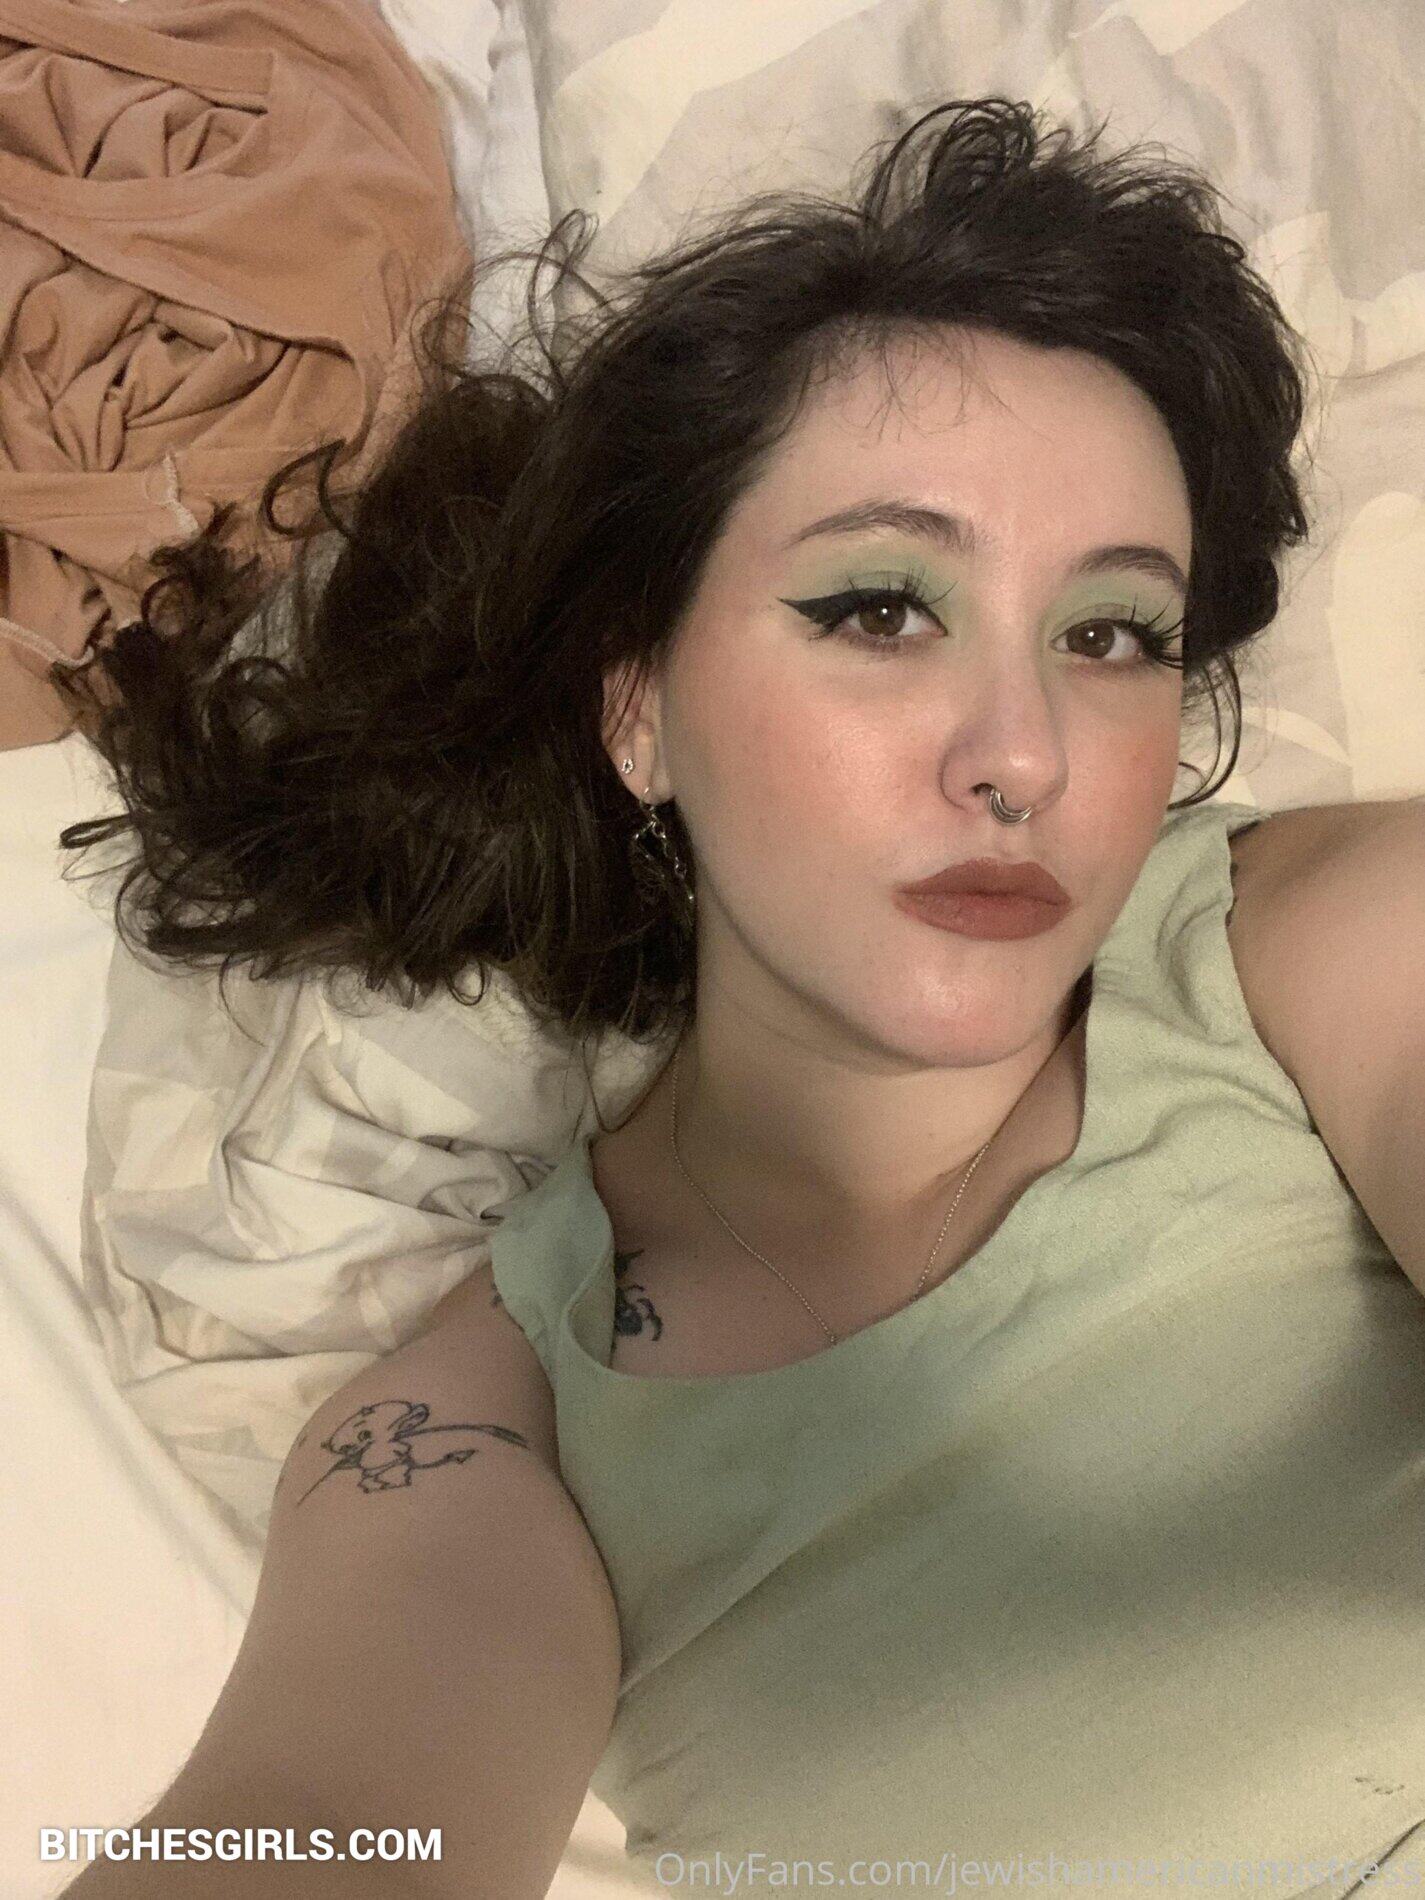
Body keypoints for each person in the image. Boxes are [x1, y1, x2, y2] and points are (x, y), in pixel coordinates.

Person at [57, 99, 1425, 1899]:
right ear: (638, 708)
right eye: (879, 608)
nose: (1023, 753)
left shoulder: (1320, 950)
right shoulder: (483, 1424)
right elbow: (323, 1823)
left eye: (1109, 635)